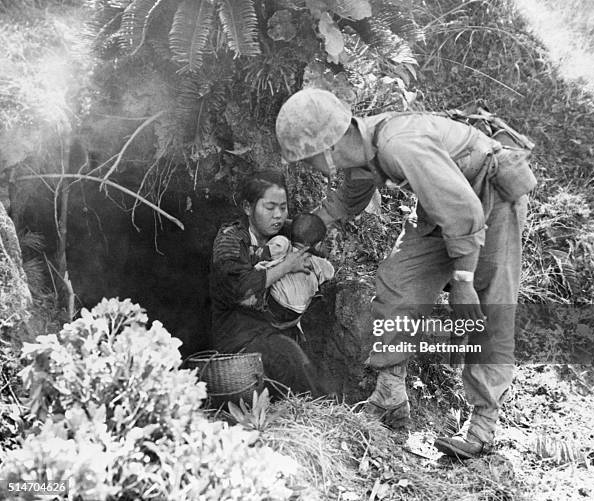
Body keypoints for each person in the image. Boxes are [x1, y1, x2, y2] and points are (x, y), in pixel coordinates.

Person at [275, 88, 536, 459]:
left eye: (305, 159)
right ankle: (390, 395)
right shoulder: (363, 151)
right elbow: (350, 197)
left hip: (489, 200)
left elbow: (465, 215)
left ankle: (482, 424)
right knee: (398, 283)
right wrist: (317, 221)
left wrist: (462, 282)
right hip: (442, 204)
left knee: (488, 307)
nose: (307, 167)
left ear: (325, 149)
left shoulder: (399, 145)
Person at [209, 171, 327, 396]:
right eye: (269, 207)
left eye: (283, 207)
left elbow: (317, 239)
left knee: (298, 356)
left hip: (278, 330)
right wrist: (286, 266)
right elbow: (238, 289)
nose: (278, 216)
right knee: (288, 355)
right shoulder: (230, 239)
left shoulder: (288, 231)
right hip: (240, 337)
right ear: (247, 207)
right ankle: (316, 413)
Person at [254, 214, 335, 326]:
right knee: (315, 288)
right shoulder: (318, 263)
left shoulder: (284, 245)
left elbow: (261, 254)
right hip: (295, 313)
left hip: (273, 304)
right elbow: (330, 272)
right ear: (318, 245)